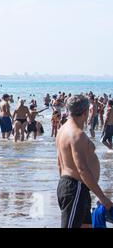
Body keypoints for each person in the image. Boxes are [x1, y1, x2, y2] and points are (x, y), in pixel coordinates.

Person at [56, 95, 112, 228]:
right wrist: (102, 198)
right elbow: (82, 169)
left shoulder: (62, 130)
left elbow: (59, 163)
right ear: (86, 112)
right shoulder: (77, 134)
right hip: (75, 188)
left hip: (73, 188)